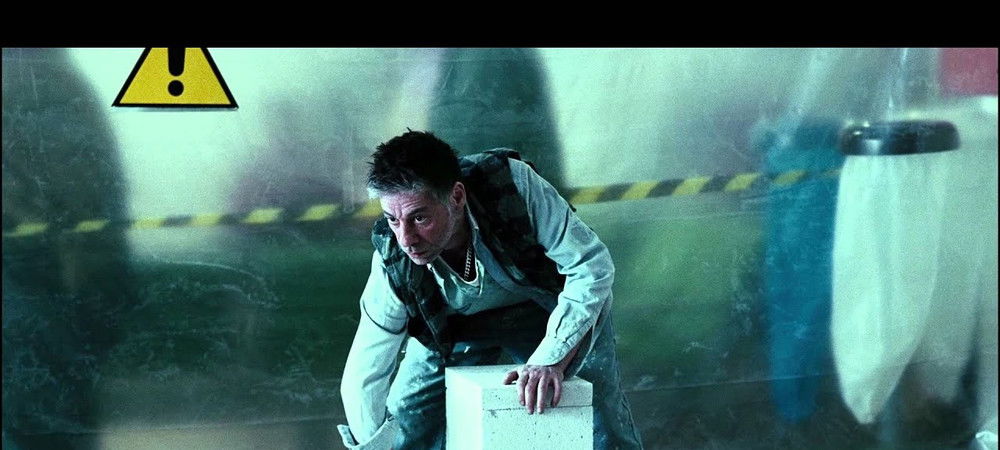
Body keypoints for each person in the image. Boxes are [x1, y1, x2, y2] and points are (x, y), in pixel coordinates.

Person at [338, 130, 642, 449]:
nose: (406, 239)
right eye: (393, 220)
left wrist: (552, 358)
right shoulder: (392, 256)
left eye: (420, 218)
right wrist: (372, 446)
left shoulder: (512, 185)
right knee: (405, 414)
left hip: (547, 311)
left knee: (598, 412)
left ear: (456, 197)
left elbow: (591, 266)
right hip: (453, 327)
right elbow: (365, 373)